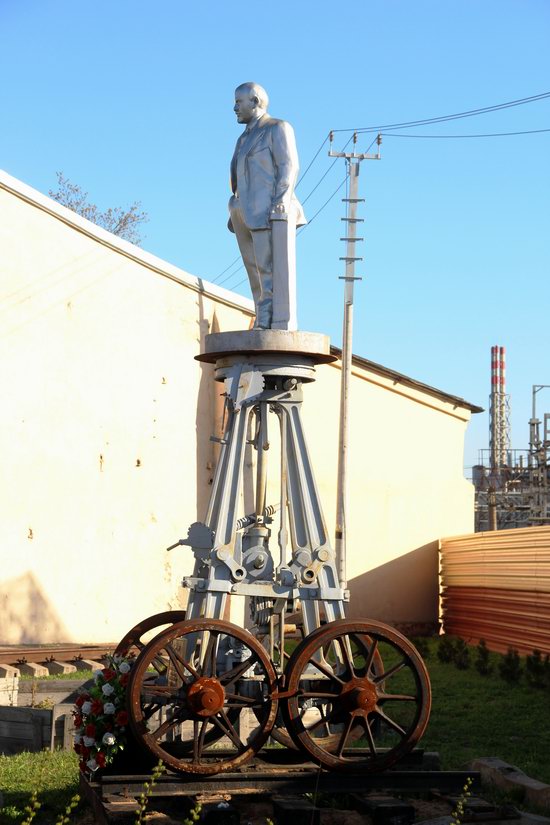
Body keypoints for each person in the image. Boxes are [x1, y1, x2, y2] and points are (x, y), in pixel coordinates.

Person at [228, 82, 305, 329]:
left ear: (255, 101)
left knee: (267, 269)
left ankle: (267, 321)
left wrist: (281, 199)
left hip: (266, 210)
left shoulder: (277, 128)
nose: (235, 108)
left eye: (239, 102)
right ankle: (261, 315)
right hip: (241, 210)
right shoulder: (243, 138)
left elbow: (288, 165)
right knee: (253, 272)